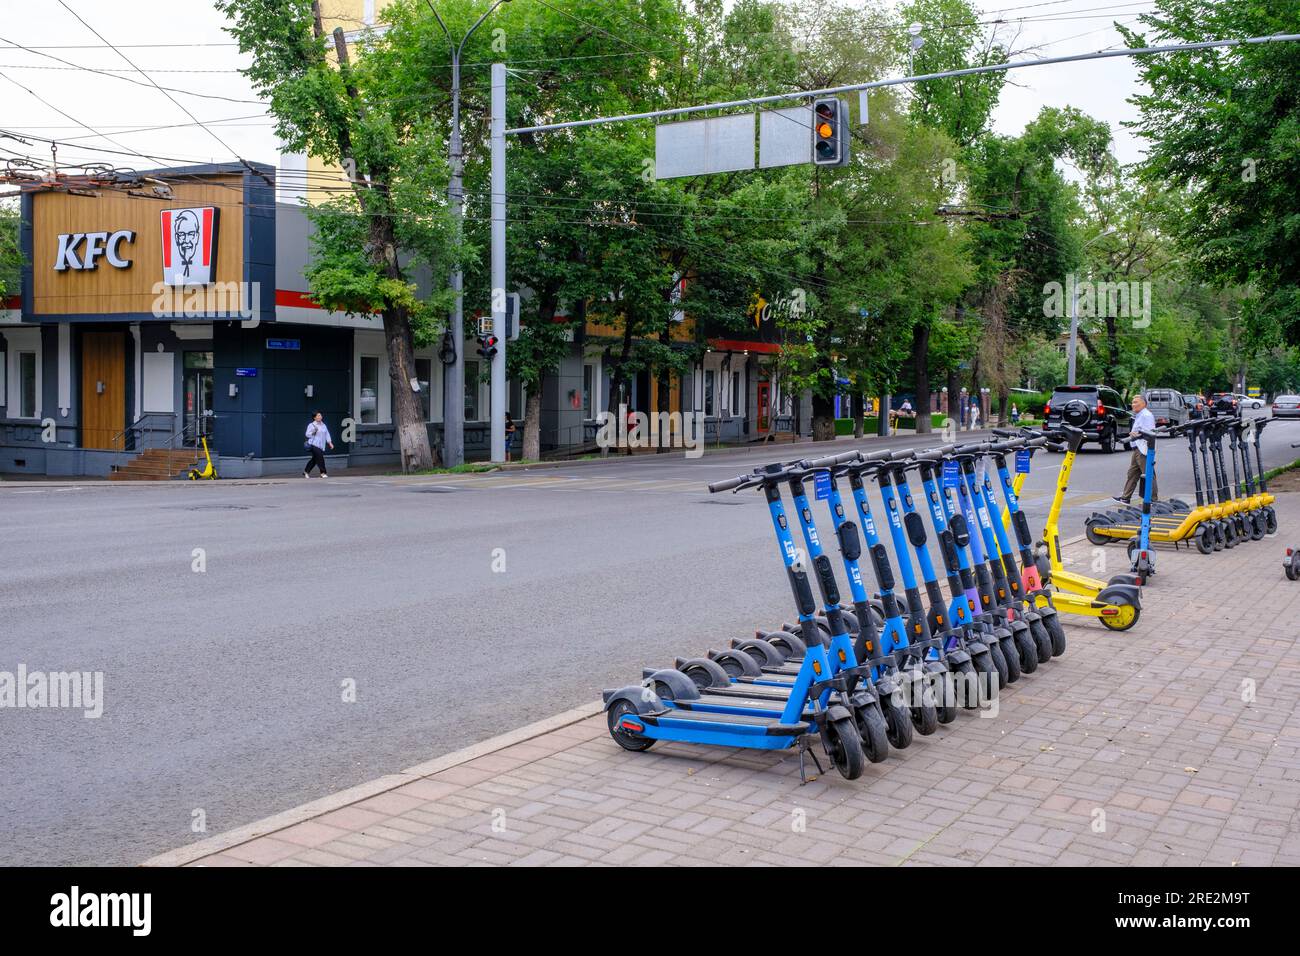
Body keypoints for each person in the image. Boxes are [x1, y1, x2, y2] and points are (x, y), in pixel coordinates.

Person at [1116, 394, 1157, 503]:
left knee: (1148, 474)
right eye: (1132, 402)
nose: (1133, 405)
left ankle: (1153, 500)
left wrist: (1136, 434)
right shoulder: (1140, 415)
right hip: (1137, 447)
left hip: (1143, 448)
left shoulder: (1146, 415)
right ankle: (1125, 498)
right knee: (1132, 473)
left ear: (1143, 404)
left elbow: (1149, 433)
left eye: (1136, 402)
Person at [304, 412, 333, 478]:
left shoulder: (324, 425)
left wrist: (330, 443)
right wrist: (314, 431)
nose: (320, 417)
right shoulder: (311, 425)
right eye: (318, 416)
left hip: (321, 445)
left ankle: (306, 471)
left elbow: (327, 434)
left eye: (320, 415)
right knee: (320, 457)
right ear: (314, 417)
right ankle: (323, 473)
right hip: (313, 444)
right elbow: (307, 434)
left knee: (314, 460)